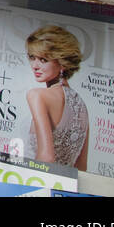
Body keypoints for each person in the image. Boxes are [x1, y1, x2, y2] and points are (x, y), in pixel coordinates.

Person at [22, 25, 89, 170]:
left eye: (43, 60)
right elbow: (81, 168)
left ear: (62, 63)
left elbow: (46, 158)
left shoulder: (37, 95)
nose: (35, 65)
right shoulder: (81, 105)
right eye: (32, 57)